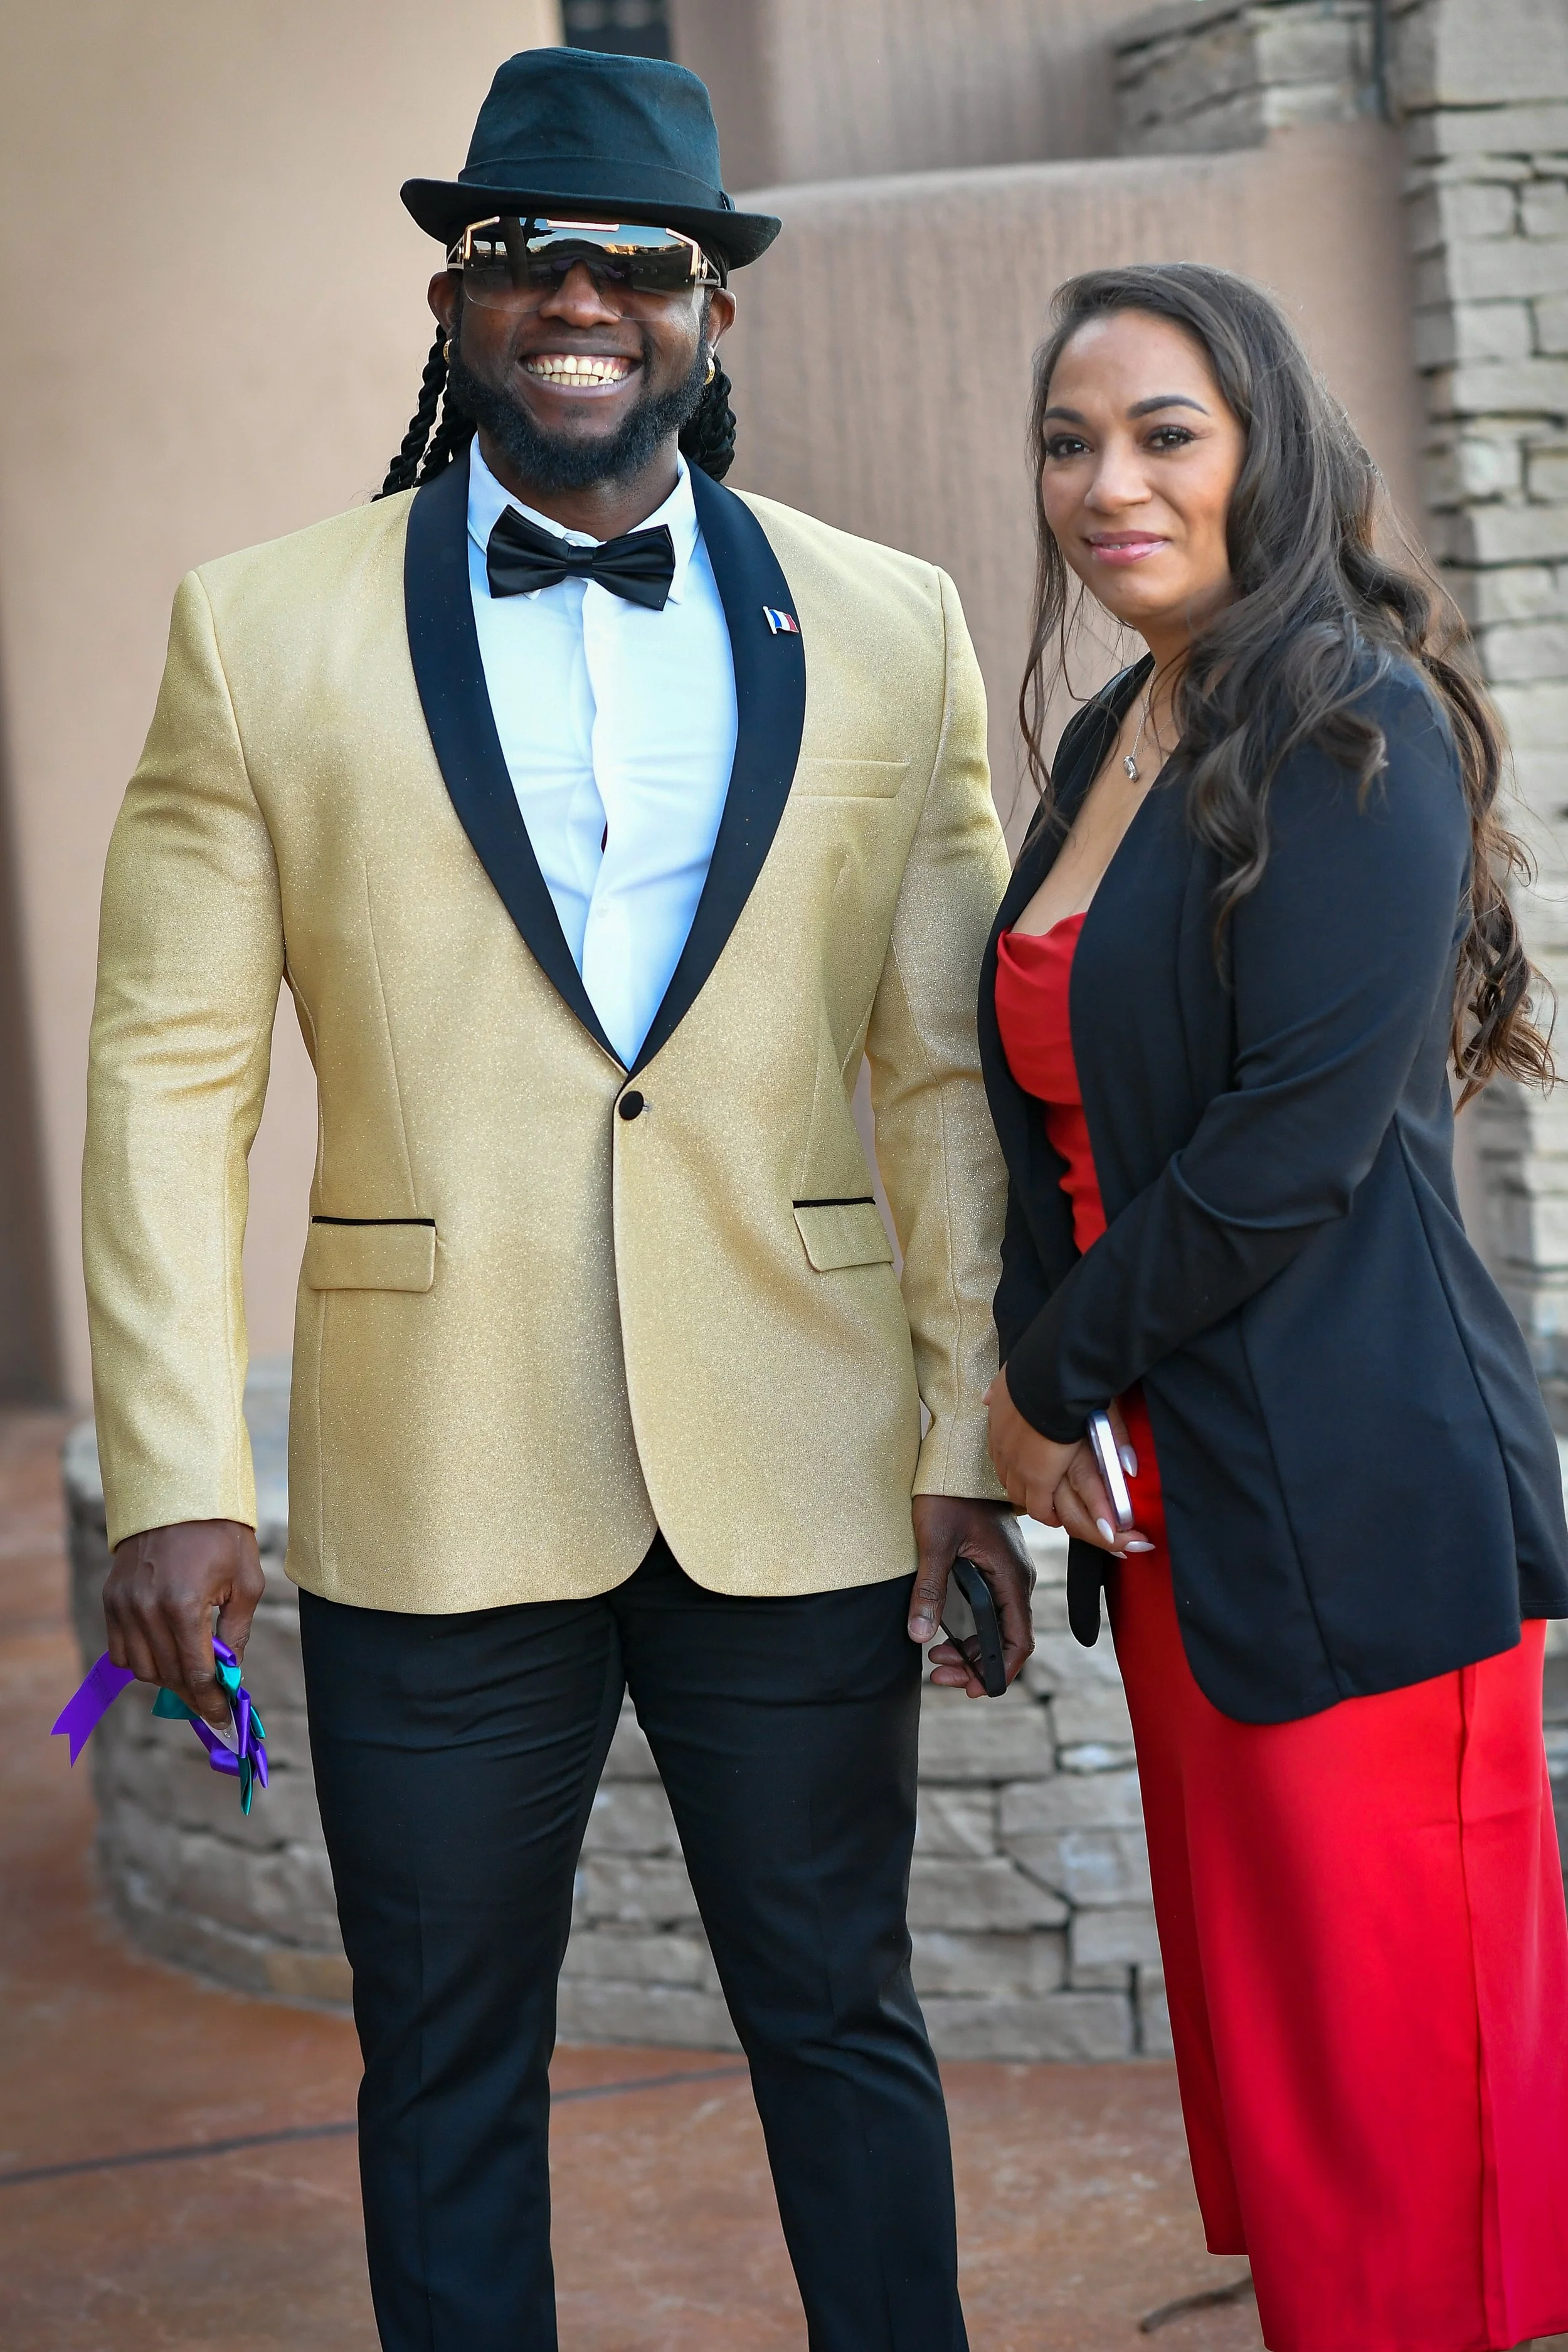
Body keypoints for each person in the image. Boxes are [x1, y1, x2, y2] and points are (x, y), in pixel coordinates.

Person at [83, 47, 1032, 2352]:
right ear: (452, 299)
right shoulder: (258, 629)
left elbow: (940, 1069)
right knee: (442, 2058)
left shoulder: (886, 623)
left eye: (645, 262)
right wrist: (177, 1469)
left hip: (798, 1454)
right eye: (531, 256)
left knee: (841, 2011)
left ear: (713, 312)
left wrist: (963, 1431)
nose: (587, 299)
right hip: (434, 1467)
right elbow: (167, 1072)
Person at [973, 262, 1568, 2352]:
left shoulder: (1351, 727)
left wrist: (1034, 1385)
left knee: (1400, 2047)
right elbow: (1052, 1110)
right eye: (1068, 443)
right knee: (1281, 2021)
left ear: (1268, 453)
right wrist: (1057, 1396)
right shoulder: (1110, 738)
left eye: (1165, 434)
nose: (1107, 484)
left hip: (1350, 1470)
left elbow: (1286, 1148)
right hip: (1178, 1486)